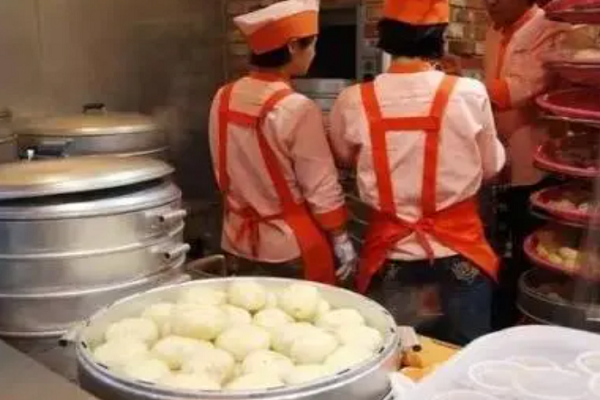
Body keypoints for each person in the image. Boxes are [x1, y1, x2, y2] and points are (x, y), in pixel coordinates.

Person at [328, 0, 506, 345]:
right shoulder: (469, 93)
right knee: (463, 354)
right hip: (460, 253)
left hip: (391, 255)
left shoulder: (353, 100)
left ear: (385, 37)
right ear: (439, 36)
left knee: (400, 354)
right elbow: (491, 167)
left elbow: (344, 157)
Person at [208, 0, 356, 283]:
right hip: (288, 248)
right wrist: (340, 236)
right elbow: (320, 186)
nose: (314, 53)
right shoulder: (296, 108)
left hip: (237, 239)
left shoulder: (223, 97)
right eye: (312, 44)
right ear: (292, 46)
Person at [483, 0, 569, 327]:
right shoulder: (494, 30)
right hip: (499, 157)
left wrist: (462, 90)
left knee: (528, 246)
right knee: (500, 243)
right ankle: (500, 317)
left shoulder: (550, 27)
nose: (489, 2)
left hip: (536, 161)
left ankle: (524, 321)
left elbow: (519, 89)